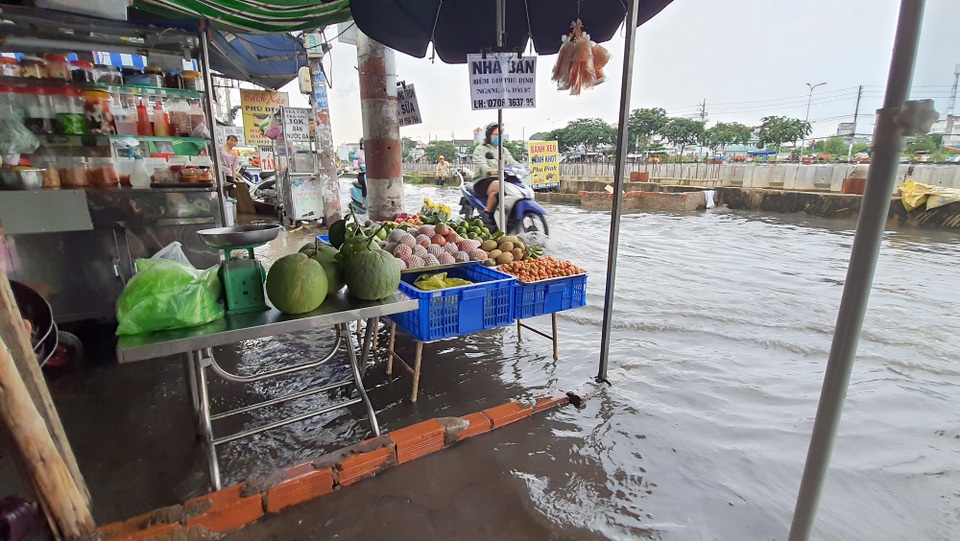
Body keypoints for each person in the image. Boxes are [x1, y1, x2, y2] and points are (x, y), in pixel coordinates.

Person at [472, 122, 518, 216]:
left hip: (501, 179)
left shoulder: (503, 150)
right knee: (498, 185)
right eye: (495, 134)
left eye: (500, 134)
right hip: (483, 180)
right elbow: (481, 165)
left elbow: (512, 162)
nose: (498, 137)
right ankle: (487, 212)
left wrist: (525, 168)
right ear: (489, 135)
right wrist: (490, 170)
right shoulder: (480, 149)